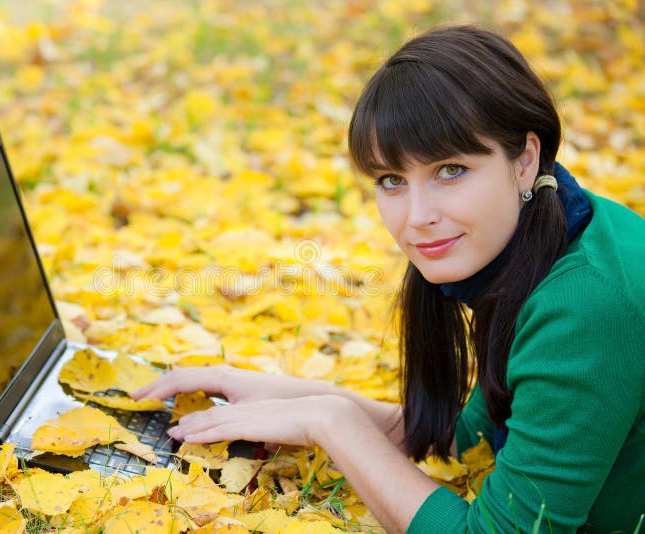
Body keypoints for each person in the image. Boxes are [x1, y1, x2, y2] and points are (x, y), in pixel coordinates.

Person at [132, 25, 645, 533]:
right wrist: (288, 396)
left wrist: (331, 424)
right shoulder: (547, 236)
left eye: (450, 169)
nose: (416, 215)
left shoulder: (586, 305)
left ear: (524, 159)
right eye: (392, 180)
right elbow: (471, 440)